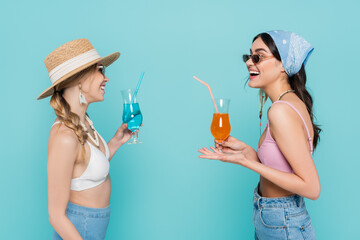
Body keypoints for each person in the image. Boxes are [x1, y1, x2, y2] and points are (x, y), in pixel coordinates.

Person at [198, 30, 321, 239]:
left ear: (283, 65)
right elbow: (281, 166)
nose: (249, 62)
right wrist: (248, 152)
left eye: (259, 56)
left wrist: (246, 162)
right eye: (249, 56)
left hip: (283, 222)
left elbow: (311, 188)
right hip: (277, 217)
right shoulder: (287, 103)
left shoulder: (280, 110)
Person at [37, 39, 132, 239]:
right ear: (79, 79)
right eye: (100, 70)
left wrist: (115, 142)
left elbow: (87, 173)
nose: (106, 79)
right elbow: (56, 216)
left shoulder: (84, 122)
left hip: (92, 228)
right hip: (79, 231)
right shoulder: (64, 136)